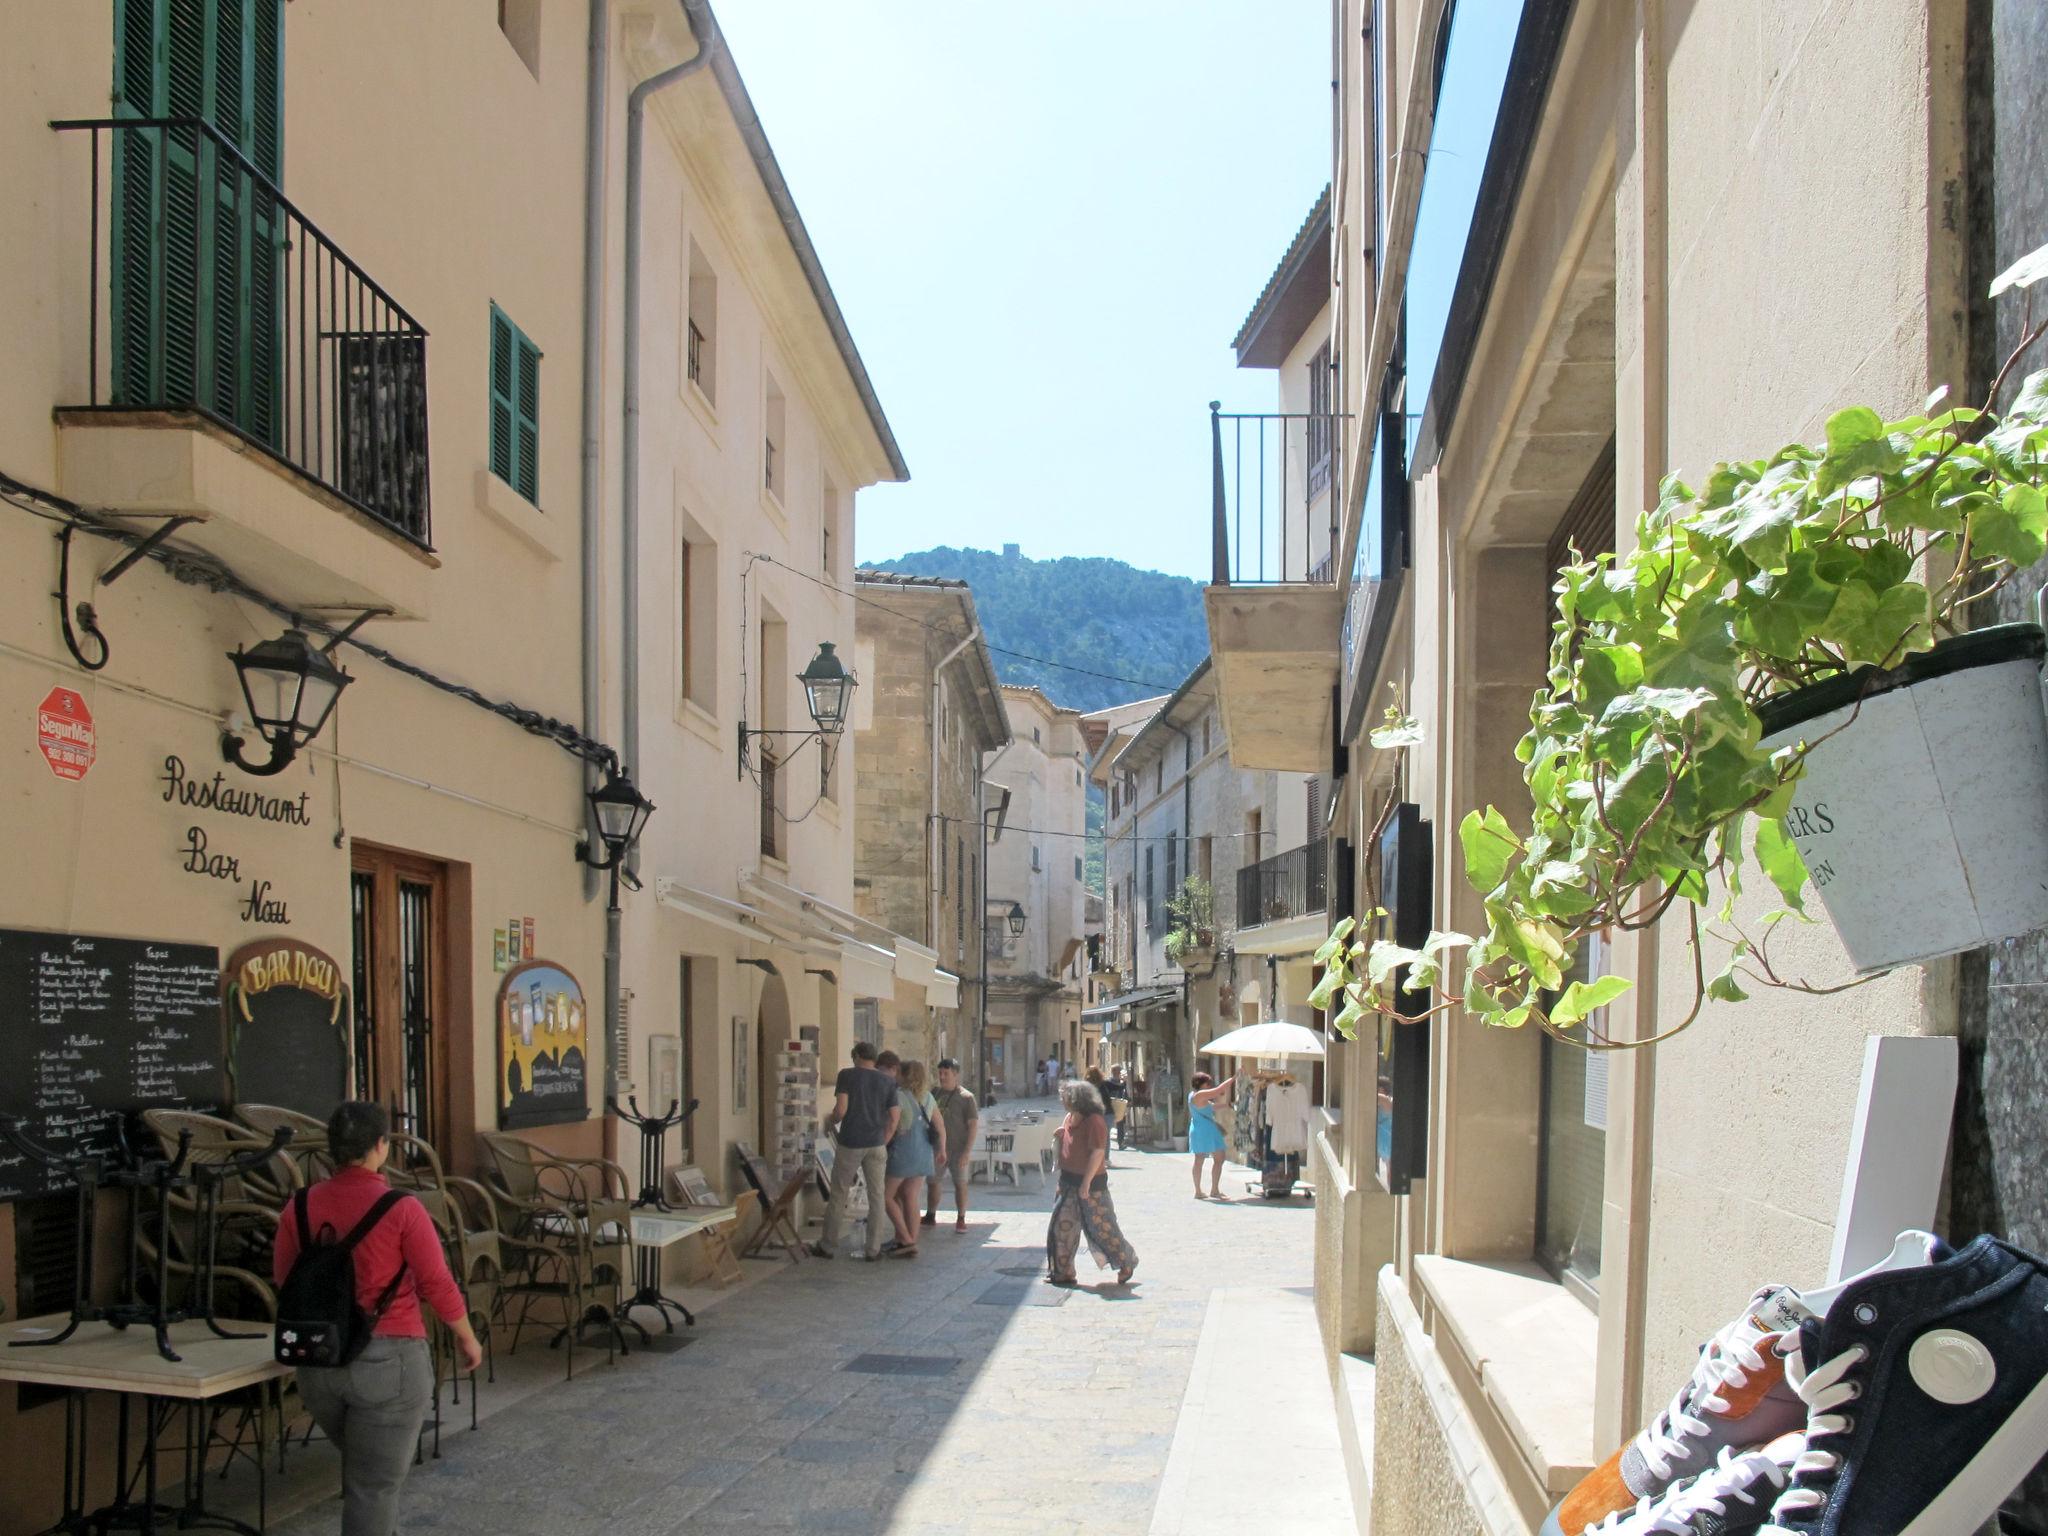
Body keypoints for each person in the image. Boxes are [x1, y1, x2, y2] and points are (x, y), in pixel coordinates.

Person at [272, 1101, 483, 1536]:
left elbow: (284, 1280)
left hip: (319, 1364)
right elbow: (436, 1283)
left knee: (366, 1479)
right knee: (373, 1488)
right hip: (390, 1364)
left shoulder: (300, 1207)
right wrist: (467, 1336)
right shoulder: (402, 1209)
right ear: (380, 1146)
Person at [810, 1040, 900, 1260]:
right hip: (876, 1143)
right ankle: (873, 1248)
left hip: (851, 1141)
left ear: (857, 1056)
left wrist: (832, 1121)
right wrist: (884, 1140)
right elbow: (894, 1117)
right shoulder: (887, 1081)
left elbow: (841, 1109)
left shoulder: (847, 1076)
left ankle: (828, 1245)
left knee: (839, 1194)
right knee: (877, 1196)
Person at [1045, 1079, 1137, 1287]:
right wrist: (1062, 1133)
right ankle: (1063, 1272)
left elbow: (1097, 1154)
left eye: (1065, 1097)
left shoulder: (1095, 1121)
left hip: (1091, 1185)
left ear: (1077, 1099)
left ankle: (1126, 1262)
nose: (1062, 1100)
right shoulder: (1070, 1117)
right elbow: (1071, 1137)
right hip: (1067, 1181)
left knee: (1102, 1228)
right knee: (1062, 1228)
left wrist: (1086, 1183)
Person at [883, 1058, 942, 1258]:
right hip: (924, 1151)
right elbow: (940, 1126)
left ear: (903, 1075)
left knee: (887, 1196)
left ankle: (905, 1238)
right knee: (911, 1196)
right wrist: (942, 1150)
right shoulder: (927, 1097)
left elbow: (893, 1123)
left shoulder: (897, 1096)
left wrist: (881, 1145)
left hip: (903, 1151)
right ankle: (910, 1240)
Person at [924, 1057, 979, 1232]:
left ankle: (961, 1218)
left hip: (958, 1148)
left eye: (946, 1073)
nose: (942, 1076)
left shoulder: (966, 1097)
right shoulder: (934, 1094)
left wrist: (967, 1152)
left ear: (955, 1074)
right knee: (933, 1182)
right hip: (937, 1147)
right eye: (940, 1073)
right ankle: (930, 1215)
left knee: (960, 1183)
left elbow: (972, 1126)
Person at [1187, 1070, 1237, 1198]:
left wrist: (1226, 1105)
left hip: (1201, 1129)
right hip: (1205, 1130)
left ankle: (1201, 1191)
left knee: (1202, 1159)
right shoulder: (1200, 1095)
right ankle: (1209, 1190)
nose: (1209, 1085)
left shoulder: (1193, 1095)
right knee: (1215, 1158)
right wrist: (1234, 1077)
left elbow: (1211, 1107)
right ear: (1201, 1084)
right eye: (1207, 1083)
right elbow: (1218, 1089)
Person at [1088, 1066, 1127, 1153]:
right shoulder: (1104, 1083)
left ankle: (1095, 1156)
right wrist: (1123, 1080)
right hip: (1108, 1113)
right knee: (1105, 1136)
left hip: (1094, 1114)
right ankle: (1105, 1158)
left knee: (1095, 1135)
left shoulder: (1088, 1086)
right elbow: (1119, 1087)